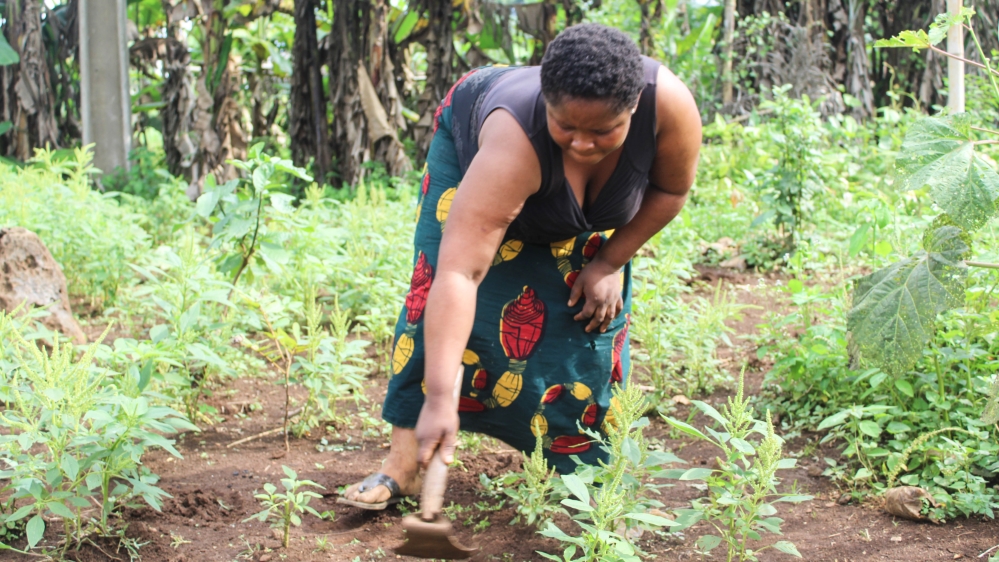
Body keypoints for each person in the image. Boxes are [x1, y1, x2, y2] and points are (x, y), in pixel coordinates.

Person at [339, 23, 701, 510]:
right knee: (434, 299)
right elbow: (459, 273)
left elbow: (672, 191)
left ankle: (583, 478)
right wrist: (443, 396)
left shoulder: (669, 108)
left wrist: (610, 261)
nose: (582, 144)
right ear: (546, 101)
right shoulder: (513, 142)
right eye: (565, 126)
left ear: (634, 105)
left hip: (575, 204)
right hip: (474, 149)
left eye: (602, 131)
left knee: (587, 320)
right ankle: (403, 466)